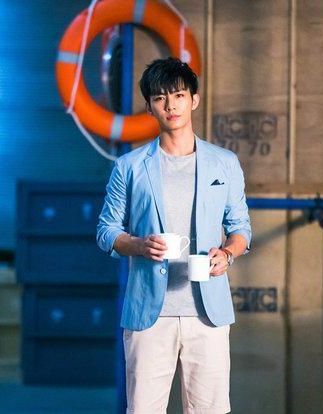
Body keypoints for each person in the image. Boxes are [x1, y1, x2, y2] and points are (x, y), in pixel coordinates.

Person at [96, 57, 251, 413]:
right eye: (160, 98)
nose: (171, 105)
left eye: (179, 95)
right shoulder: (129, 167)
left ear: (193, 100)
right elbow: (106, 231)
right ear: (150, 106)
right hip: (148, 315)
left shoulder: (224, 162)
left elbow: (241, 227)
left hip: (207, 313)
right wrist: (138, 244)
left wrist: (227, 254)